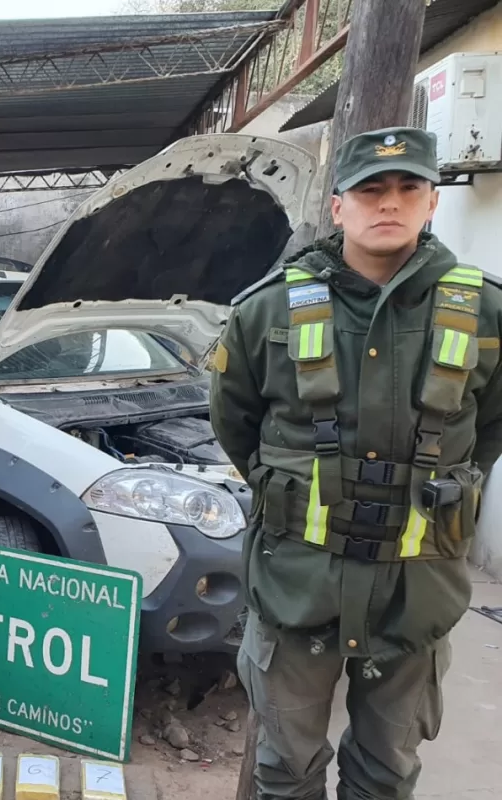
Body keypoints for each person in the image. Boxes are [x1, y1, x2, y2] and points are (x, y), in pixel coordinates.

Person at [210, 126, 502, 799]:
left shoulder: (485, 310)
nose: (389, 203)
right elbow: (235, 425)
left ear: (433, 203)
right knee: (285, 771)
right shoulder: (266, 310)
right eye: (371, 189)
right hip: (296, 587)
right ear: (338, 206)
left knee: (387, 773)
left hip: (416, 595)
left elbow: (489, 432)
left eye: (409, 188)